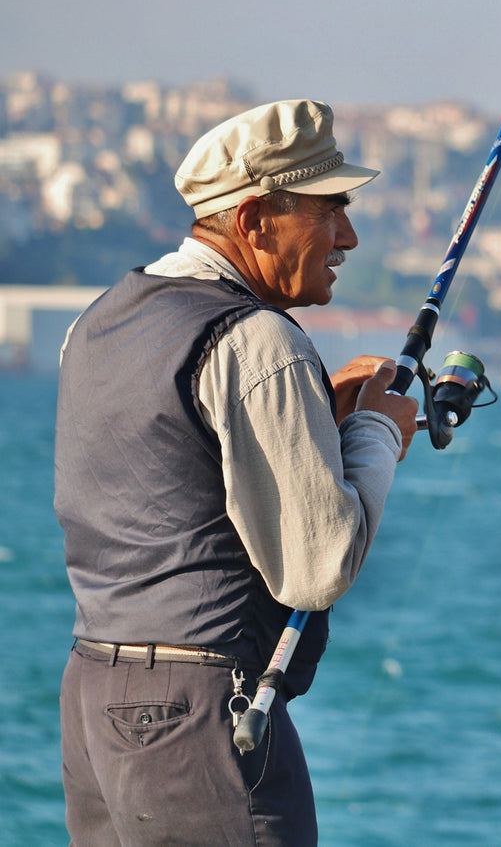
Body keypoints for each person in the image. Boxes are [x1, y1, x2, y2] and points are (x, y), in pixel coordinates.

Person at [56, 99, 419, 846]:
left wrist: (316, 415)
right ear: (254, 221)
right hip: (198, 711)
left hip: (93, 697)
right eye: (330, 210)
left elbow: (175, 466)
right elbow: (317, 568)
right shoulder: (259, 340)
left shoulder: (96, 322)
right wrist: (380, 430)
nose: (347, 235)